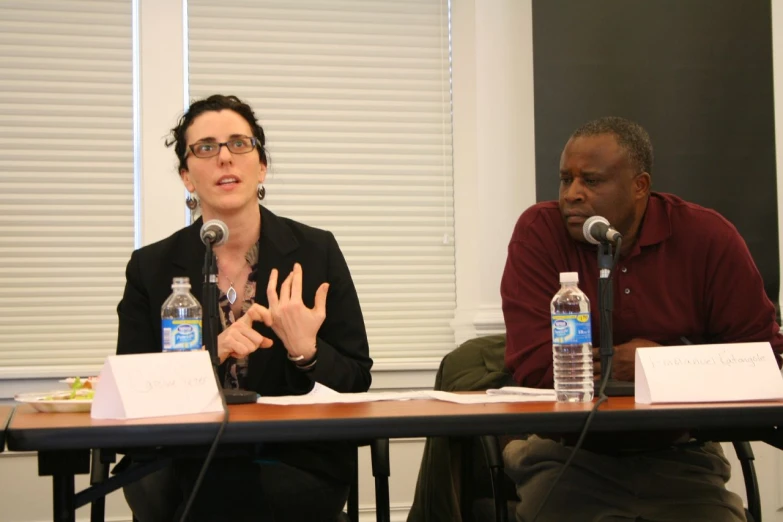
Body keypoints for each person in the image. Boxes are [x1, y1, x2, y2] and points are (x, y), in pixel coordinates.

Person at [500, 116, 783, 522]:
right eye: (566, 180)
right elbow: (536, 367)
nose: (572, 195)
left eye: (591, 181)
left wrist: (657, 365)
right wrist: (680, 371)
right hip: (568, 456)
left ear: (640, 187)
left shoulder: (707, 237)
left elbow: (761, 360)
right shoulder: (539, 233)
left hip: (680, 457)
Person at [116, 94, 373, 522]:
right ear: (186, 176)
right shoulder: (151, 266)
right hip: (178, 456)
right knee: (204, 486)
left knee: (222, 492)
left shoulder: (315, 251)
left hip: (291, 457)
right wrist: (208, 354)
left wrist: (306, 352)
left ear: (262, 166)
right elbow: (131, 388)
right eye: (205, 148)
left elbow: (356, 380)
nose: (224, 158)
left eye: (239, 144)